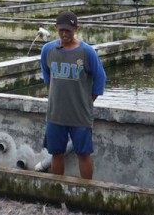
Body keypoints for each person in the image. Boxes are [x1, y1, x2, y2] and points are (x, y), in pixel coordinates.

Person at [39, 11, 106, 179]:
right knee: (56, 153)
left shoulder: (87, 52)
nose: (64, 34)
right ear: (56, 29)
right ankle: (59, 189)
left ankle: (86, 191)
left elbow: (100, 79)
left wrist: (87, 101)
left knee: (83, 154)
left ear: (76, 28)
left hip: (80, 114)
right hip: (56, 114)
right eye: (61, 30)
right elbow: (48, 78)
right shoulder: (48, 50)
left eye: (68, 30)